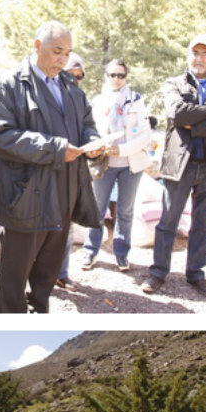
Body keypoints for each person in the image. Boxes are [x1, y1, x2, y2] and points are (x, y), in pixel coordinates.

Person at [0, 21, 103, 313]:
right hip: (27, 195)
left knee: (48, 271)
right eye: (56, 51)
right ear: (37, 46)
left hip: (65, 191)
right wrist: (56, 148)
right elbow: (0, 136)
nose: (62, 59)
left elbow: (87, 124)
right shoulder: (8, 85)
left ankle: (40, 310)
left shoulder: (70, 87)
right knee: (15, 276)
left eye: (68, 53)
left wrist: (94, 143)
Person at [143, 34, 206, 296]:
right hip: (180, 164)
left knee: (203, 224)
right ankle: (158, 273)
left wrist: (194, 125)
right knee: (168, 222)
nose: (198, 58)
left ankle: (195, 273)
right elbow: (176, 113)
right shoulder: (173, 83)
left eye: (204, 53)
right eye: (194, 53)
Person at [78, 58, 152, 274]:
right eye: (112, 75)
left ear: (126, 77)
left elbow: (145, 135)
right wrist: (101, 147)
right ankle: (90, 251)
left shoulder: (136, 101)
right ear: (106, 77)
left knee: (125, 211)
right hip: (104, 163)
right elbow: (90, 129)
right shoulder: (98, 101)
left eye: (121, 75)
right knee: (97, 210)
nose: (116, 79)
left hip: (130, 163)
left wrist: (122, 150)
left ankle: (121, 254)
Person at [56, 52, 88, 291]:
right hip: (47, 172)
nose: (74, 80)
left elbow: (88, 128)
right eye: (70, 75)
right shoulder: (46, 95)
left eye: (79, 76)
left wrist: (94, 146)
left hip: (71, 173)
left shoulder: (80, 99)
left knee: (66, 228)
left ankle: (62, 274)